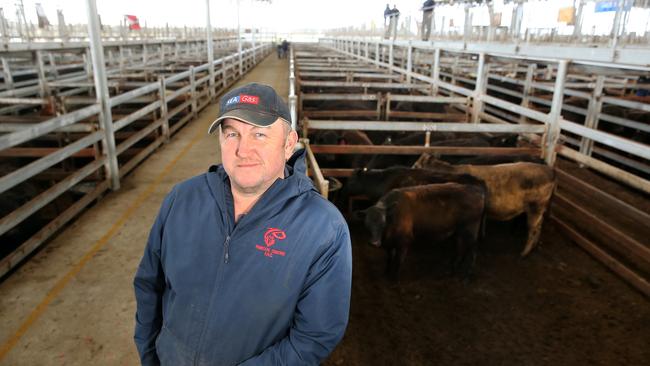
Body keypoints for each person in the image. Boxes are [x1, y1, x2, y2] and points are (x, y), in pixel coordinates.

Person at [133, 82, 353, 365]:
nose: (243, 150)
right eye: (232, 134)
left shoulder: (323, 228)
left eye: (259, 134)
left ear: (288, 143)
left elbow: (315, 336)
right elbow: (149, 285)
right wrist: (150, 357)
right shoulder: (183, 199)